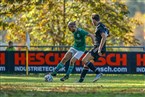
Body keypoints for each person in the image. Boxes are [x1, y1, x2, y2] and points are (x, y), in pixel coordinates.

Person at [77, 14, 109, 83]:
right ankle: (80, 80)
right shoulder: (104, 26)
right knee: (87, 63)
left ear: (94, 20)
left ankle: (98, 73)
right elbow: (107, 34)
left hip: (97, 48)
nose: (92, 22)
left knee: (84, 60)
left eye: (92, 21)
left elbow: (104, 36)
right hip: (98, 47)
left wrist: (99, 48)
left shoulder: (99, 27)